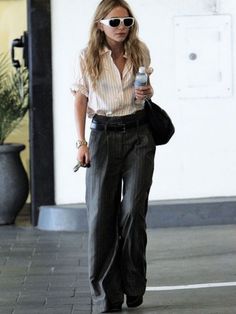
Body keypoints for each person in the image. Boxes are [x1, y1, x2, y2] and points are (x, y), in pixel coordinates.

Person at [71, 0, 156, 312]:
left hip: (139, 134)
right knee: (101, 216)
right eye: (115, 22)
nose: (122, 28)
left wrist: (146, 93)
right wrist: (81, 142)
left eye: (127, 22)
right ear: (100, 25)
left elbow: (144, 89)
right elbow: (80, 100)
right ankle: (108, 294)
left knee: (133, 211)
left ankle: (134, 286)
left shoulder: (140, 50)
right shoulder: (87, 56)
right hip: (102, 136)